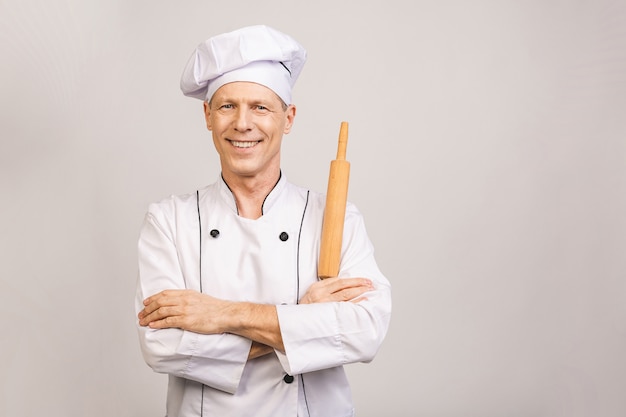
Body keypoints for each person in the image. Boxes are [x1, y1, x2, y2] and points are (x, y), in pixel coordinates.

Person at [135, 25, 392, 417]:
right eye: (227, 106)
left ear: (287, 118)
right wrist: (304, 318)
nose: (242, 123)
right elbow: (161, 346)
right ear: (207, 115)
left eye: (260, 107)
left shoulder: (335, 219)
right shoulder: (170, 221)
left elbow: (365, 331)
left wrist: (220, 314)